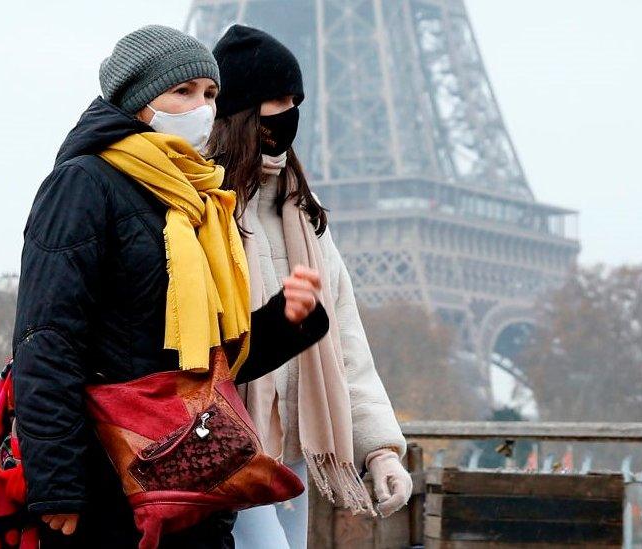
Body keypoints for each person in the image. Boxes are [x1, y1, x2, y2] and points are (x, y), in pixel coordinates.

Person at [11, 25, 328, 548]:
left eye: (210, 93)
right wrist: (59, 483)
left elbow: (202, 364)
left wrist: (285, 322)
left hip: (191, 475)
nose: (201, 107)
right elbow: (46, 341)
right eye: (182, 91)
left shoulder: (197, 197)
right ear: (137, 103)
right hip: (110, 478)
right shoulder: (84, 183)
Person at [208, 25, 413, 548]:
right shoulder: (203, 209)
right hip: (229, 443)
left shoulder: (303, 211)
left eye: (295, 101)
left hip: (297, 444)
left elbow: (344, 339)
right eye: (277, 100)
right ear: (242, 109)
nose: (289, 112)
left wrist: (380, 450)